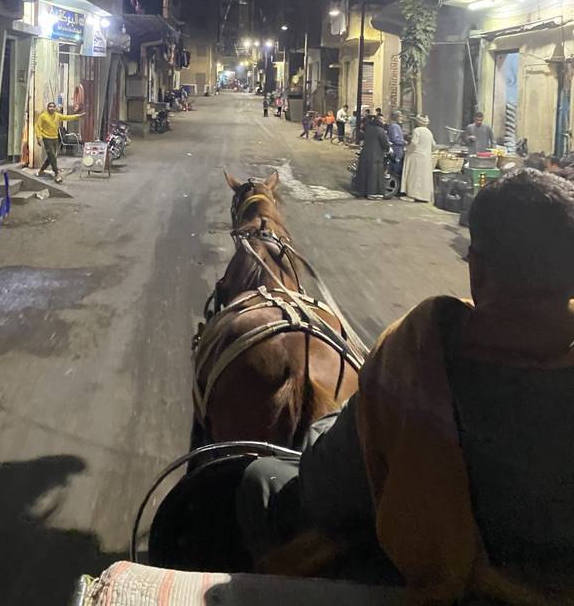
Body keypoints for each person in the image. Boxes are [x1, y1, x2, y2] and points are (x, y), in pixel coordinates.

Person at [237, 170, 574, 603]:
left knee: (260, 478)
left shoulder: (417, 352)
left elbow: (329, 491)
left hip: (456, 585)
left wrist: (335, 423)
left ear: (479, 271)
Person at [35, 102, 85, 184]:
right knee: (52, 155)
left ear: (55, 108)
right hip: (46, 139)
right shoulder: (43, 116)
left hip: (55, 138)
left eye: (53, 107)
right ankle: (57, 174)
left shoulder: (57, 115)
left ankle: (41, 170)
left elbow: (66, 117)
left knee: (51, 156)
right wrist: (39, 138)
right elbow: (38, 127)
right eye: (50, 106)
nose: (51, 108)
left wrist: (77, 116)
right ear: (47, 108)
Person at [353, 114, 389, 199]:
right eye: (383, 120)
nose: (384, 122)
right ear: (380, 121)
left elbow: (362, 136)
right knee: (374, 175)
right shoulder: (380, 130)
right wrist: (387, 148)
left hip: (365, 153)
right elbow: (385, 143)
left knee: (364, 174)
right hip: (375, 156)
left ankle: (362, 191)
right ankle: (372, 193)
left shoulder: (369, 128)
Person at [401, 114, 435, 203]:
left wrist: (408, 150)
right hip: (426, 158)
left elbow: (414, 143)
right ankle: (424, 196)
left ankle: (412, 195)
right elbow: (434, 145)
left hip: (416, 156)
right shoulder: (429, 132)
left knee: (414, 176)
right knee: (424, 177)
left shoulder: (417, 130)